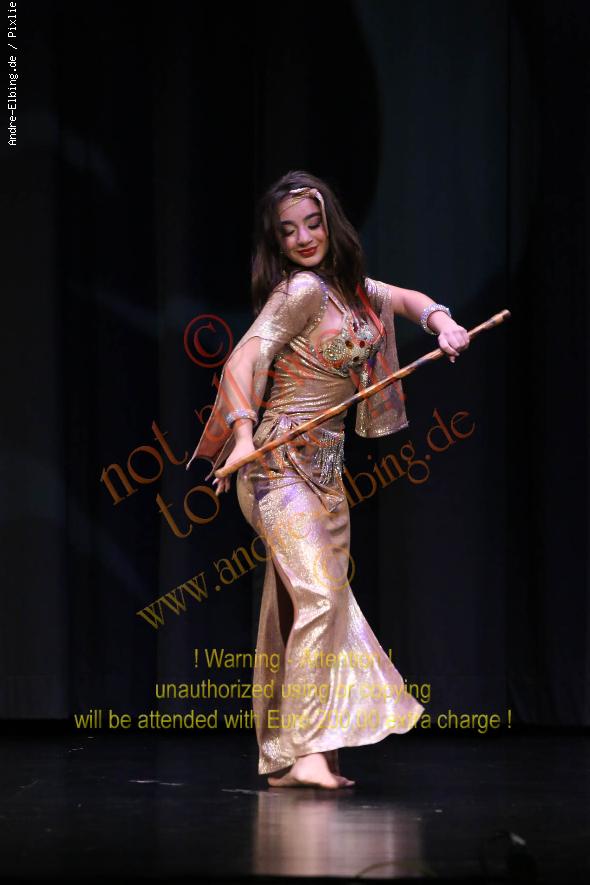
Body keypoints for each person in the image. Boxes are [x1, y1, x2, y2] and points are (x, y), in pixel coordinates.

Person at [186, 170, 470, 789]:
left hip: (327, 475)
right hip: (275, 469)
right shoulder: (302, 291)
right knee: (320, 596)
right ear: (278, 242)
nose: (304, 238)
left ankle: (291, 757)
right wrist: (241, 437)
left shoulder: (351, 290)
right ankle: (310, 750)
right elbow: (243, 358)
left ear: (330, 223)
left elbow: (408, 300)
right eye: (289, 231)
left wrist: (442, 322)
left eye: (312, 224)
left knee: (306, 605)